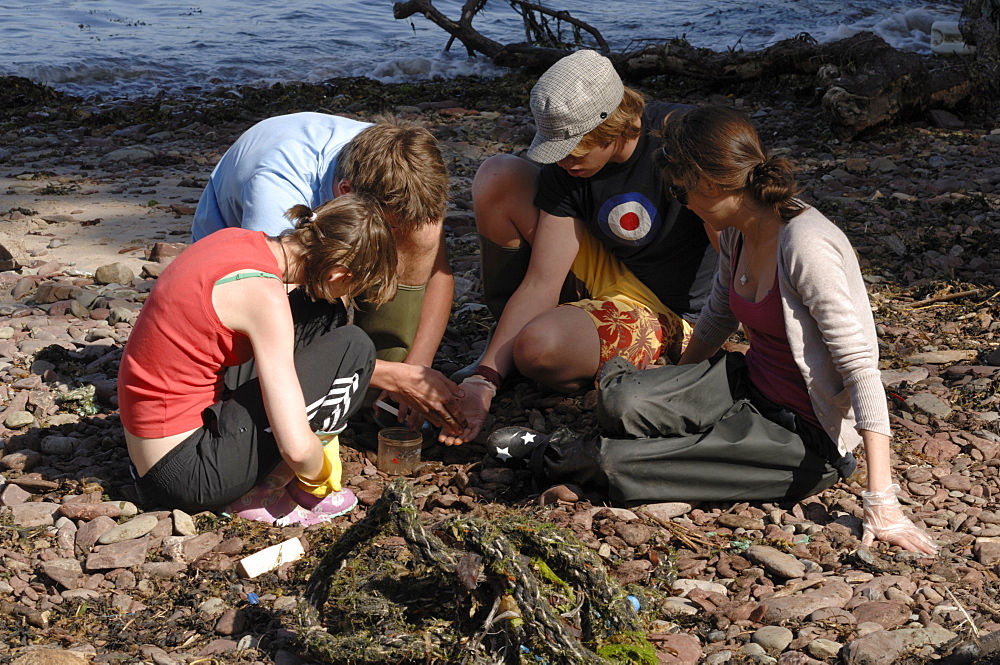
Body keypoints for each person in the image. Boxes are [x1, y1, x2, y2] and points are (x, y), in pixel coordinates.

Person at [486, 105, 936, 555]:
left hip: (805, 436)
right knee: (624, 399)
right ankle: (665, 432)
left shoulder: (805, 246)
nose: (682, 203)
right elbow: (718, 316)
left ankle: (556, 452)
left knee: (621, 466)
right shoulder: (738, 230)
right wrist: (670, 387)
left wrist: (883, 499)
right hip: (749, 384)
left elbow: (860, 368)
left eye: (681, 193)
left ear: (712, 184)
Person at [443, 49, 718, 445]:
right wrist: (485, 378)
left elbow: (736, 245)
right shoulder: (566, 166)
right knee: (499, 175)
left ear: (613, 125)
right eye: (556, 148)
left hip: (670, 310)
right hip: (607, 268)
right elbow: (541, 280)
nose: (565, 161)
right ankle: (503, 347)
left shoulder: (681, 139)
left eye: (574, 148)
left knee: (538, 348)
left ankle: (549, 341)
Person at [120, 195, 398, 525]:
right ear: (339, 273)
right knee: (354, 349)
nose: (347, 296)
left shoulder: (237, 239)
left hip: (153, 450)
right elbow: (296, 449)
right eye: (352, 286)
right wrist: (317, 473)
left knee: (320, 310)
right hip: (187, 476)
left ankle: (262, 467)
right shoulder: (264, 298)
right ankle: (268, 491)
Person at [192, 112, 463, 433]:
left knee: (424, 230)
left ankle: (380, 384)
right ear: (346, 193)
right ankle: (367, 376)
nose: (391, 243)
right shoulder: (278, 192)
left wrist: (417, 367)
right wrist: (389, 375)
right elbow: (268, 331)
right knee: (272, 368)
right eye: (388, 228)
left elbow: (439, 275)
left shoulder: (398, 159)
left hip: (326, 239)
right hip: (239, 281)